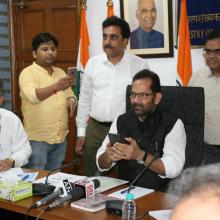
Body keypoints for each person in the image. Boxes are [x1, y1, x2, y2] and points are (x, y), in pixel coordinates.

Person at [75, 16, 149, 177]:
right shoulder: (92, 64)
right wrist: (81, 132)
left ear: (125, 41)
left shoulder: (139, 65)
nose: (107, 41)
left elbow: (145, 101)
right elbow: (85, 98)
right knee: (91, 175)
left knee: (123, 176)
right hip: (95, 128)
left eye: (114, 37)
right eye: (105, 36)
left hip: (124, 129)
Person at [96, 69, 186, 190]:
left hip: (158, 195)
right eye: (133, 94)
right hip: (124, 192)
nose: (136, 101)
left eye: (143, 95)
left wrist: (140, 156)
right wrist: (108, 156)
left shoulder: (173, 124)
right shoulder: (121, 121)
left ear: (157, 98)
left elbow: (174, 168)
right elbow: (101, 163)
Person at [19, 32, 77, 170]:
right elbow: (33, 96)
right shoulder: (27, 73)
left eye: (53, 49)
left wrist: (72, 100)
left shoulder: (60, 73)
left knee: (54, 177)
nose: (50, 52)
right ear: (34, 53)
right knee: (36, 179)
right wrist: (56, 86)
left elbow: (70, 94)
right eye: (45, 49)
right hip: (37, 140)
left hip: (60, 137)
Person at [189, 29, 220, 164]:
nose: (211, 56)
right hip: (207, 151)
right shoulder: (197, 78)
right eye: (208, 51)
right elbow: (188, 111)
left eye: (217, 52)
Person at [0, 79, 31, 171]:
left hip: (6, 175)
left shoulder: (11, 119)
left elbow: (25, 149)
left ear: (1, 100)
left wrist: (11, 161)